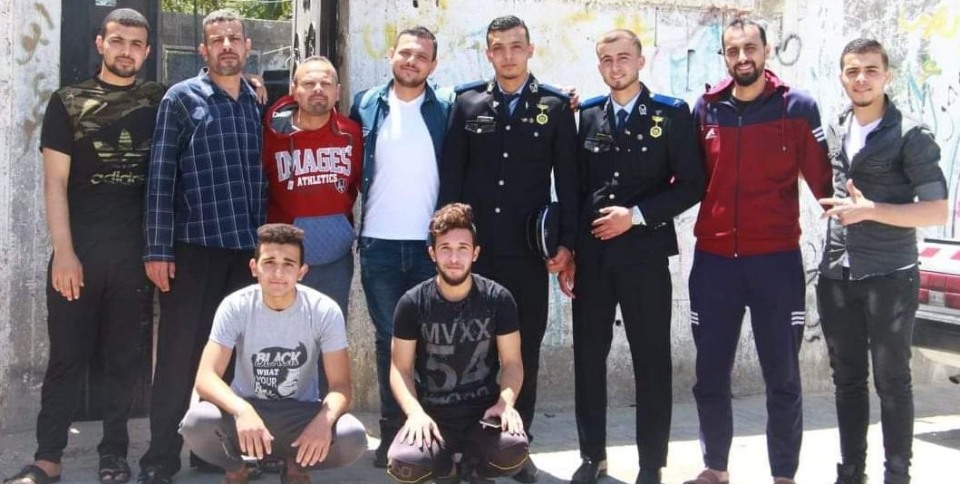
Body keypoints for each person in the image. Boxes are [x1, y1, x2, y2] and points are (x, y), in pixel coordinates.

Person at [3, 9, 160, 484]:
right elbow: (54, 182)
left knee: (122, 362)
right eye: (118, 41)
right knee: (66, 359)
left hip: (134, 257)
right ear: (100, 44)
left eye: (136, 44)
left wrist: (253, 83)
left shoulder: (158, 100)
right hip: (79, 256)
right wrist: (64, 252)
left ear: (147, 52)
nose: (126, 51)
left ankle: (114, 454)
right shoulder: (68, 101)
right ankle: (47, 458)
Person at [684, 19, 833, 484]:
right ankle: (715, 468)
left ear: (767, 50)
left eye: (750, 47)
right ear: (724, 56)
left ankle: (783, 475)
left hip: (776, 264)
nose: (742, 57)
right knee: (710, 375)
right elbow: (684, 178)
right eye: (733, 50)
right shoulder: (706, 108)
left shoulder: (797, 107)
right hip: (714, 264)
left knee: (783, 378)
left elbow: (826, 183)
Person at [558, 29, 704, 484]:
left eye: (623, 57)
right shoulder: (588, 115)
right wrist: (571, 252)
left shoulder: (670, 113)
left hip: (644, 257)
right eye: (606, 59)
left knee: (651, 360)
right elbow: (575, 190)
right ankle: (592, 456)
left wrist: (637, 216)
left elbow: (692, 183)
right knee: (588, 359)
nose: (615, 66)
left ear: (641, 61)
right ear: (599, 65)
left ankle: (650, 465)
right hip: (594, 258)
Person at [439, 16, 578, 481]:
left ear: (530, 50)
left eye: (516, 46)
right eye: (498, 48)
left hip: (527, 254)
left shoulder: (554, 107)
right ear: (488, 53)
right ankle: (470, 447)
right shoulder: (467, 103)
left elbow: (569, 183)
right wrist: (449, 246)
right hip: (476, 256)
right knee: (471, 351)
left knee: (524, 351)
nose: (508, 56)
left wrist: (567, 244)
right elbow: (452, 179)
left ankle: (515, 448)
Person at [140, 9, 266, 484]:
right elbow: (160, 177)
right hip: (192, 249)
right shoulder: (181, 98)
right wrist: (157, 249)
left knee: (227, 359)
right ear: (203, 50)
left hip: (242, 253)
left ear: (248, 47)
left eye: (234, 37)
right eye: (217, 39)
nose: (226, 45)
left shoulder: (255, 102)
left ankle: (212, 453)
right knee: (178, 358)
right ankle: (159, 459)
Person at [816, 39, 948, 484]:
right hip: (838, 272)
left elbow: (936, 210)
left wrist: (871, 210)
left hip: (890, 275)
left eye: (871, 70)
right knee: (847, 379)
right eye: (853, 71)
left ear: (886, 76)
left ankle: (897, 475)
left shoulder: (911, 134)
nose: (862, 79)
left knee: (892, 381)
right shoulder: (835, 127)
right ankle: (851, 473)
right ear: (842, 76)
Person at [179, 223, 368, 484]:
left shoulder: (324, 310)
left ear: (302, 271)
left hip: (299, 413)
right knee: (196, 423)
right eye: (269, 263)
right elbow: (206, 377)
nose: (278, 273)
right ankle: (237, 469)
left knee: (352, 437)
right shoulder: (235, 306)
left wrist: (323, 422)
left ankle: (297, 465)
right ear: (254, 267)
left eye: (288, 264)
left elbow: (340, 386)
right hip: (247, 408)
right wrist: (241, 409)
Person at [349, 26, 452, 467]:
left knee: (434, 341)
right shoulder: (365, 104)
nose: (412, 61)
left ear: (433, 64)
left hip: (431, 247)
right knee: (389, 340)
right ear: (391, 54)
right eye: (405, 53)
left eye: (422, 56)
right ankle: (394, 433)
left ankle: (433, 432)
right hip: (379, 245)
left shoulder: (446, 106)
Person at [386, 203, 528, 483]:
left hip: (484, 414)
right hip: (433, 414)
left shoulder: (498, 299)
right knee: (404, 464)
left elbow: (512, 362)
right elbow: (399, 369)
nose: (454, 258)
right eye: (445, 248)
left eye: (462, 248)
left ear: (475, 253)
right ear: (432, 253)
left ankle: (475, 468)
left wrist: (506, 403)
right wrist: (415, 414)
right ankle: (446, 467)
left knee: (513, 452)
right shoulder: (412, 303)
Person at [262, 55, 362, 322]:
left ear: (337, 92)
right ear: (294, 90)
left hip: (335, 258)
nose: (318, 89)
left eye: (326, 84)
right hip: (281, 255)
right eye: (309, 83)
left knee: (329, 330)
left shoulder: (352, 133)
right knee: (280, 331)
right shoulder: (270, 133)